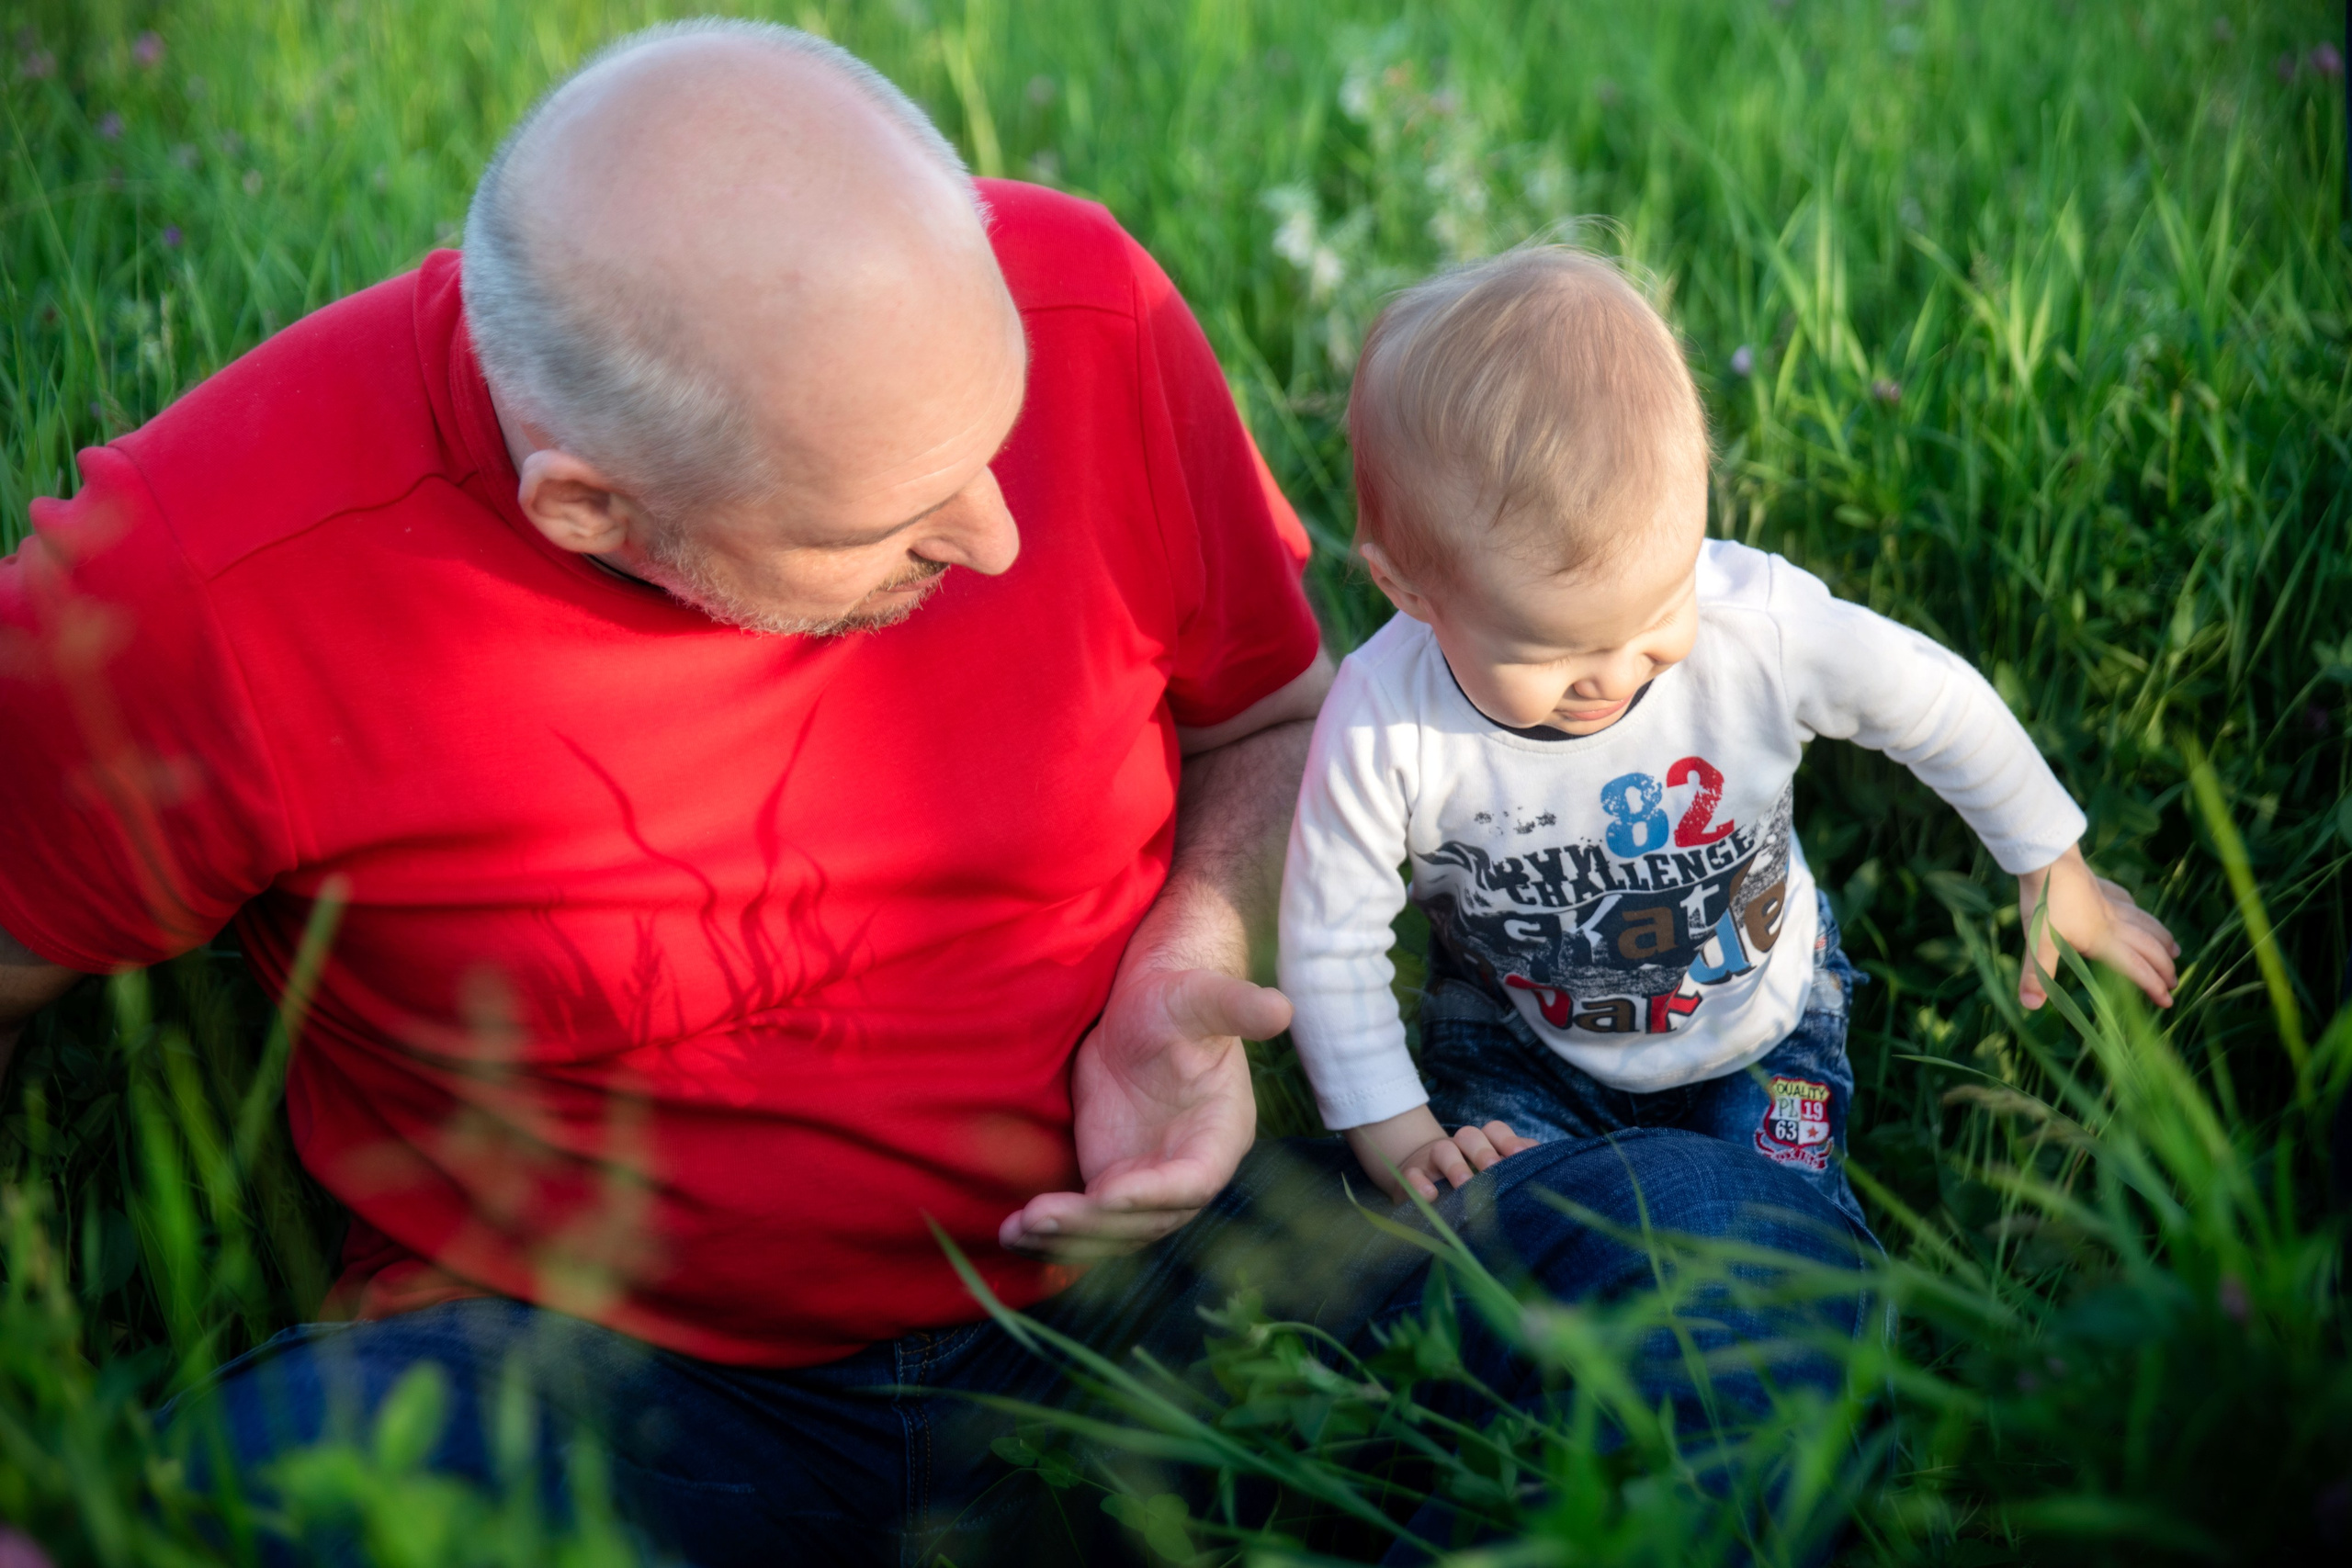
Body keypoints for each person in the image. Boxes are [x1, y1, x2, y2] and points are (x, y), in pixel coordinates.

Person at [0, 27, 1876, 1565]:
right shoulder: (207, 586)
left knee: (1735, 1273)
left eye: (992, 444)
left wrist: (1186, 953)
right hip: (609, 1390)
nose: (992, 533)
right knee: (242, 1512)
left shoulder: (1078, 304)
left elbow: (1266, 717)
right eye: (888, 528)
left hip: (1160, 1297)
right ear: (594, 506)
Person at [1280, 249, 2182, 1213]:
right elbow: (1328, 934)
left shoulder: (1754, 627)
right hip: (1519, 1034)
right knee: (1519, 1230)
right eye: (1553, 651)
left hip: (1759, 1019)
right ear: (1408, 589)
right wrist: (1393, 1126)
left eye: (1657, 613)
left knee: (1768, 1235)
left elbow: (1932, 701)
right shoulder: (1386, 720)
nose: (1616, 674)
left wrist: (2050, 861)